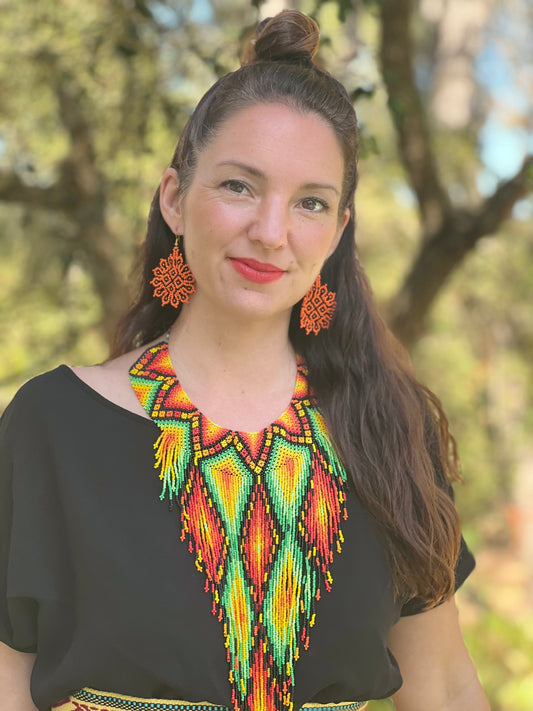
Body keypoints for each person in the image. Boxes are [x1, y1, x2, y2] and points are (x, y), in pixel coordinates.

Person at [0, 10, 489, 711]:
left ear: (338, 231)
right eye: (238, 186)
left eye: (310, 202)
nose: (270, 232)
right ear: (174, 197)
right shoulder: (54, 425)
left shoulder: (387, 427)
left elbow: (442, 688)